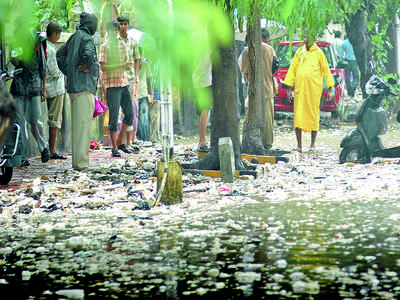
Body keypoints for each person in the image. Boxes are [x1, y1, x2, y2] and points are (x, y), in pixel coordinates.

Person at [57, 12, 99, 171]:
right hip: (84, 87)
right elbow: (88, 55)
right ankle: (81, 164)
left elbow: (60, 55)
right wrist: (88, 66)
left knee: (77, 128)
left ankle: (77, 163)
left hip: (74, 87)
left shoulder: (74, 37)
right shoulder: (87, 38)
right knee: (83, 128)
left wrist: (70, 71)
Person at [283, 31, 334, 153]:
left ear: (313, 38)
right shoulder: (299, 52)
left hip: (314, 90)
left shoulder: (319, 53)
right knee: (298, 116)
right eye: (304, 36)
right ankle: (299, 146)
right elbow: (292, 69)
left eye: (307, 36)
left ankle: (312, 144)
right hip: (300, 90)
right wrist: (289, 88)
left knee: (314, 115)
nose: (304, 38)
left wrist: (330, 88)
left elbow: (326, 71)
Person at [10, 32, 50, 167]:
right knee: (21, 124)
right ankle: (23, 156)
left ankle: (44, 148)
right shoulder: (15, 41)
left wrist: (44, 89)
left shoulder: (38, 41)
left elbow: (43, 67)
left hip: (34, 87)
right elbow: (14, 62)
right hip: (19, 87)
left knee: (35, 121)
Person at [99, 20, 134, 157]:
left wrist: (125, 65)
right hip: (112, 85)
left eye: (116, 30)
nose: (114, 33)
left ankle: (120, 141)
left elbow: (128, 64)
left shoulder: (122, 44)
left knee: (130, 114)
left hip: (123, 82)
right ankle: (114, 147)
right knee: (113, 117)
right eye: (112, 30)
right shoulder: (104, 46)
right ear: (108, 31)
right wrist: (120, 65)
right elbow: (103, 67)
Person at [239, 29, 277, 150]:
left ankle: (249, 141)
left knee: (250, 116)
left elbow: (243, 70)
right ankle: (267, 143)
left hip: (253, 90)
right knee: (268, 118)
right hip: (268, 88)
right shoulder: (270, 49)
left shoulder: (246, 50)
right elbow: (275, 68)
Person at [116, 14, 140, 150]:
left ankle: (129, 142)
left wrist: (136, 76)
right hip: (117, 79)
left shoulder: (133, 41)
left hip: (130, 79)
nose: (123, 26)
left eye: (125, 24)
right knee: (118, 111)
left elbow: (137, 59)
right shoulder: (113, 41)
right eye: (121, 24)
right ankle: (119, 142)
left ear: (128, 25)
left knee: (129, 109)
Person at [45, 22, 67, 160]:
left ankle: (49, 149)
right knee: (55, 120)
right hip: (55, 88)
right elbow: (54, 71)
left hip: (46, 88)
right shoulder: (51, 49)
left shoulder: (43, 47)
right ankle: (51, 150)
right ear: (55, 34)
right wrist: (64, 72)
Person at [192, 53, 212, 152]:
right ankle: (202, 141)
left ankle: (201, 140)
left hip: (196, 80)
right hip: (206, 81)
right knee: (205, 110)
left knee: (200, 112)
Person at [136, 50, 153, 142]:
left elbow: (149, 80)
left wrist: (151, 94)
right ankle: (137, 138)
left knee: (144, 118)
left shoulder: (146, 65)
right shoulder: (130, 64)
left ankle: (145, 139)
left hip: (143, 94)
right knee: (136, 117)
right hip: (133, 94)